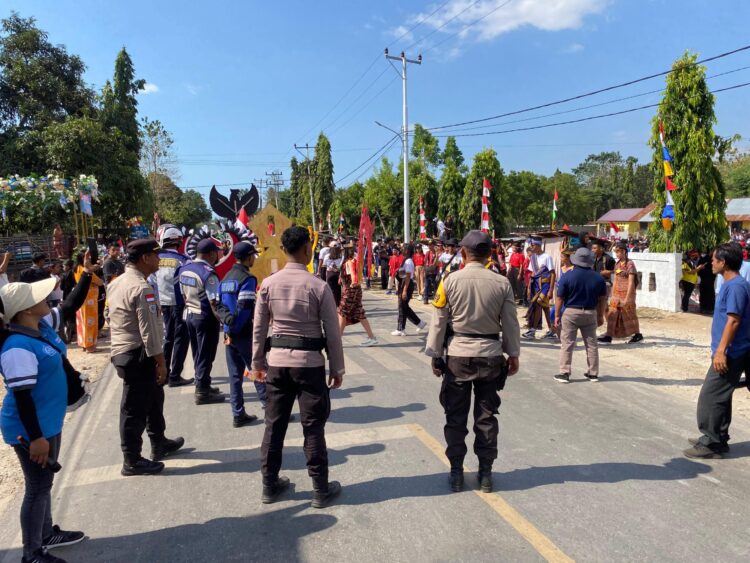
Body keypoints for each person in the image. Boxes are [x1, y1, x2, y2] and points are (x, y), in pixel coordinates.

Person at [251, 226, 345, 508]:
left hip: (277, 363)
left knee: (274, 425)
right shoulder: (318, 286)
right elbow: (332, 332)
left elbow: (259, 328)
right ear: (305, 249)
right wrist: (336, 368)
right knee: (313, 427)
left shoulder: (268, 284)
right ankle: (320, 489)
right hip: (310, 365)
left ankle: (269, 485)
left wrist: (257, 362)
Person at [0, 278, 89, 563]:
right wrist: (36, 438)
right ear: (25, 310)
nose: (48, 297)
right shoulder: (17, 346)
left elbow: (71, 304)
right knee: (37, 487)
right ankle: (32, 553)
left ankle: (47, 533)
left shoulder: (41, 326)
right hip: (30, 429)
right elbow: (23, 398)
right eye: (39, 297)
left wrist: (86, 275)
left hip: (48, 421)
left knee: (45, 483)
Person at [425, 230, 520, 493]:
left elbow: (439, 322)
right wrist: (513, 354)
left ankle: (456, 473)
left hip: (458, 356)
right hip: (491, 355)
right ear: (490, 254)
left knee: (455, 416)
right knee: (486, 417)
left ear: (463, 253)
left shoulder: (450, 280)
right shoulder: (502, 283)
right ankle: (486, 474)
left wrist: (435, 355)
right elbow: (510, 324)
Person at [108, 239, 184, 476]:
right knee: (134, 408)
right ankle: (131, 460)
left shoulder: (117, 282)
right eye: (155, 255)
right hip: (137, 354)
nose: (159, 259)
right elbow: (149, 331)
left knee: (153, 397)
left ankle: (158, 441)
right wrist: (161, 362)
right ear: (144, 258)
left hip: (126, 351)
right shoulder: (142, 288)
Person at [684, 242, 750, 459]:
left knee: (710, 396)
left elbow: (733, 321)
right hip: (729, 350)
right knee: (721, 396)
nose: (710, 262)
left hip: (731, 352)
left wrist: (721, 351)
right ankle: (718, 438)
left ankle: (711, 442)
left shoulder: (737, 286)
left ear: (724, 262)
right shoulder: (730, 283)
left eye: (714, 259)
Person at [216, 241, 266, 427]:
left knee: (235, 376)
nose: (254, 258)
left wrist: (228, 328)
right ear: (248, 257)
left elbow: (219, 305)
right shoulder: (247, 279)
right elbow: (245, 308)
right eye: (253, 255)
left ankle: (238, 413)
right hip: (243, 332)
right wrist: (236, 328)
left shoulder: (226, 278)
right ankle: (270, 409)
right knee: (257, 370)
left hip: (230, 333)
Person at [179, 239, 225, 405]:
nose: (218, 255)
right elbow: (214, 302)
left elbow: (183, 295)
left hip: (190, 315)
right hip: (205, 317)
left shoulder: (185, 268)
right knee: (206, 354)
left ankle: (204, 383)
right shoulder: (208, 273)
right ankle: (202, 392)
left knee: (197, 352)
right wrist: (224, 322)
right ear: (211, 254)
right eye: (217, 252)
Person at [553, 248, 608, 383]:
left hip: (571, 312)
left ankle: (565, 372)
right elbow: (603, 299)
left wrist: (557, 315)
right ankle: (593, 373)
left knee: (567, 343)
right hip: (590, 312)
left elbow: (559, 298)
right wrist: (600, 315)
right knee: (591, 344)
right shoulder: (598, 278)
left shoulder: (567, 275)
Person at [153, 226, 193, 388]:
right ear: (177, 240)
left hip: (162, 305)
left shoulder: (155, 258)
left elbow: (150, 282)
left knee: (167, 339)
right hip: (179, 305)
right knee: (181, 340)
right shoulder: (184, 260)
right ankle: (175, 375)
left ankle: (164, 373)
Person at [598, 241, 643, 344]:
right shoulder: (617, 264)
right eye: (615, 252)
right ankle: (609, 336)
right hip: (617, 293)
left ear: (623, 251)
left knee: (629, 314)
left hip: (627, 293)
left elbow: (631, 281)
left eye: (618, 252)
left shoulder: (630, 264)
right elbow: (616, 279)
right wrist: (613, 294)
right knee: (612, 314)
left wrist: (628, 298)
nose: (616, 254)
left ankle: (637, 334)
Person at [338, 244, 378, 346]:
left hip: (350, 291)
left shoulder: (349, 262)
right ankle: (371, 337)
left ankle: (337, 339)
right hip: (356, 290)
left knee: (342, 313)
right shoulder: (354, 261)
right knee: (359, 313)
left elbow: (353, 275)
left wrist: (353, 283)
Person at [523, 238, 555, 340]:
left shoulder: (547, 257)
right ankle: (551, 330)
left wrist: (551, 290)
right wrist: (528, 287)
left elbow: (553, 273)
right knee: (545, 307)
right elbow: (532, 273)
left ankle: (533, 330)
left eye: (533, 246)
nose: (531, 248)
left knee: (538, 304)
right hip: (535, 285)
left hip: (545, 285)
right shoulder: (533, 257)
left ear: (538, 246)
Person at [391, 244, 426, 337]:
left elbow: (407, 277)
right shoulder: (405, 260)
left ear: (407, 250)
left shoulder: (409, 261)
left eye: (404, 248)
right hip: (403, 284)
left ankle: (401, 329)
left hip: (407, 285)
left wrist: (404, 291)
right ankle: (419, 323)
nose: (402, 249)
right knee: (404, 307)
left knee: (402, 307)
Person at [74, 252, 103, 353]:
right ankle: (90, 346)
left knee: (82, 322)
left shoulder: (77, 268)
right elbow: (100, 282)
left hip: (81, 299)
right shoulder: (85, 270)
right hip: (88, 300)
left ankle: (84, 344)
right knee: (89, 323)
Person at [324, 242, 343, 306]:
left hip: (330, 274)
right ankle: (338, 304)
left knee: (330, 290)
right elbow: (341, 266)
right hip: (338, 273)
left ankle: (331, 305)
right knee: (338, 290)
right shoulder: (341, 256)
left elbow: (324, 265)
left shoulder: (327, 256)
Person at [697, 250, 716, 314]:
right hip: (708, 280)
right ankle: (708, 308)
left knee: (704, 294)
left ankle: (703, 308)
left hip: (705, 280)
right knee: (708, 294)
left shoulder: (704, 259)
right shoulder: (710, 259)